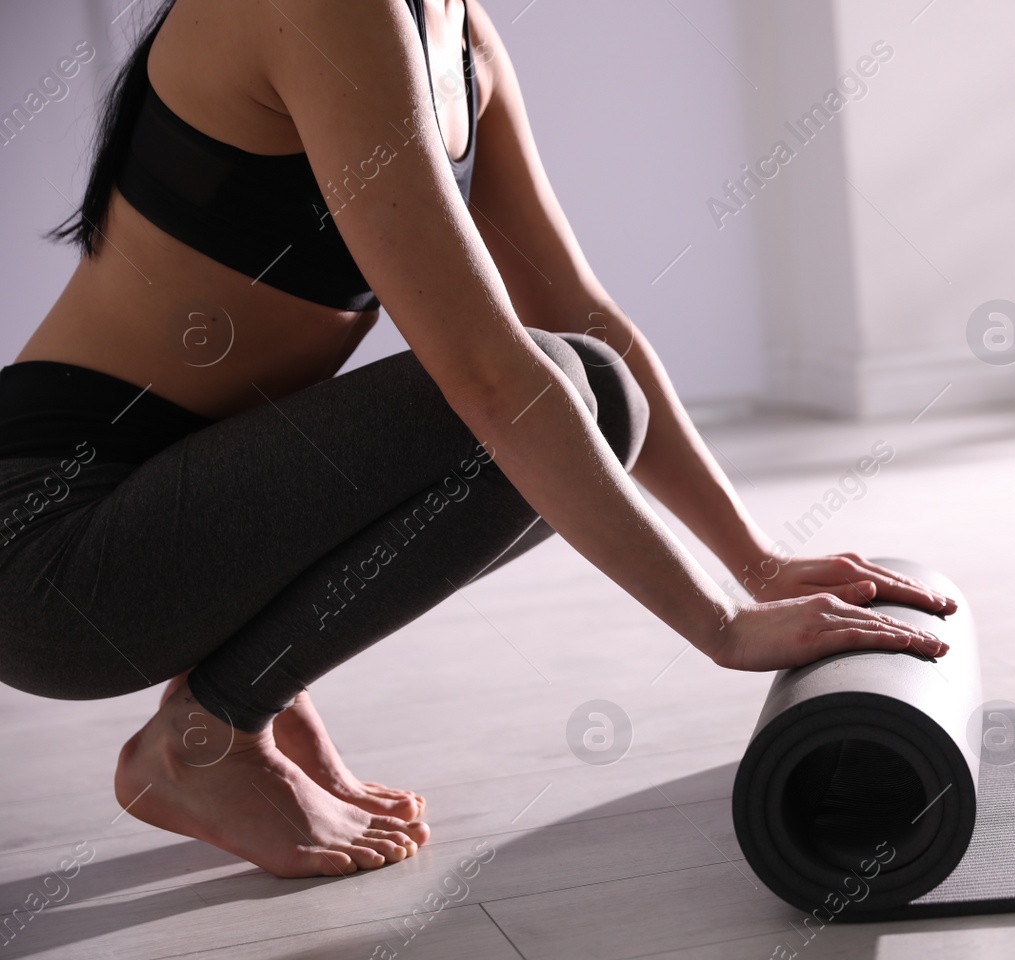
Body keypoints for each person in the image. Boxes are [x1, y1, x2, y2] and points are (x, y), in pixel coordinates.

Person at [0, 0, 954, 878]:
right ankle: (210, 736)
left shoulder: (453, 29)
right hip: (47, 555)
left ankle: (227, 709)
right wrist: (718, 625)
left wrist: (759, 562)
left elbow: (578, 310)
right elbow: (491, 378)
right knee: (548, 394)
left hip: (164, 513)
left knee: (594, 390)